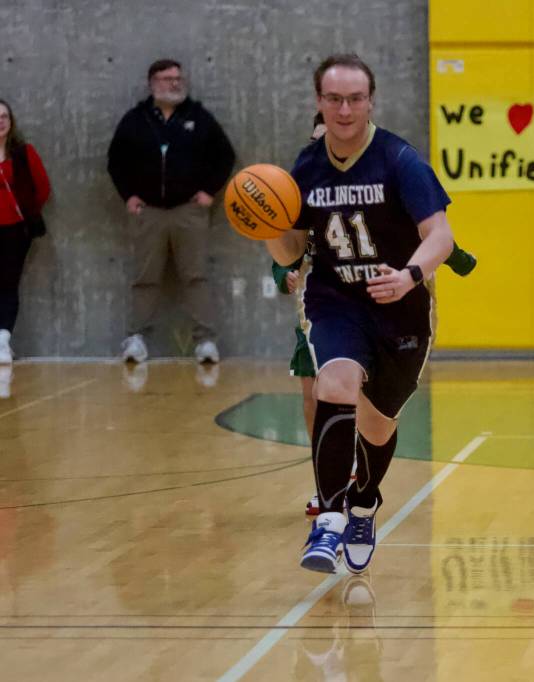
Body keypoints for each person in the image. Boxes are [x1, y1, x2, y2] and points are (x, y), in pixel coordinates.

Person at [266, 54, 455, 574]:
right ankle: (327, 519)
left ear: (370, 101)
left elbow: (440, 236)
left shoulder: (399, 160)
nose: (344, 109)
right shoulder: (304, 168)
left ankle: (364, 501)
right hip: (335, 300)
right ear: (319, 103)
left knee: (377, 423)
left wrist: (408, 276)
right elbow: (290, 253)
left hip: (401, 307)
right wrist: (267, 226)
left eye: (354, 99)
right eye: (333, 99)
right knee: (335, 382)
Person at [107, 58, 235, 364]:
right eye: (167, 79)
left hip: (188, 212)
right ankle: (136, 339)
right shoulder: (136, 119)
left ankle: (205, 342)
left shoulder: (198, 117)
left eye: (178, 78)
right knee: (145, 277)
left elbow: (225, 155)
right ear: (153, 84)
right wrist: (129, 195)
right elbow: (116, 161)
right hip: (148, 212)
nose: (175, 83)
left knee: (195, 276)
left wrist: (209, 191)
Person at [0, 99, 51, 365]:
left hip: (15, 230)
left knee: (7, 284)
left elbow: (41, 187)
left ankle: (2, 340)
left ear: (11, 121)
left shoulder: (23, 152)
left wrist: (25, 212)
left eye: (4, 116)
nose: (0, 121)